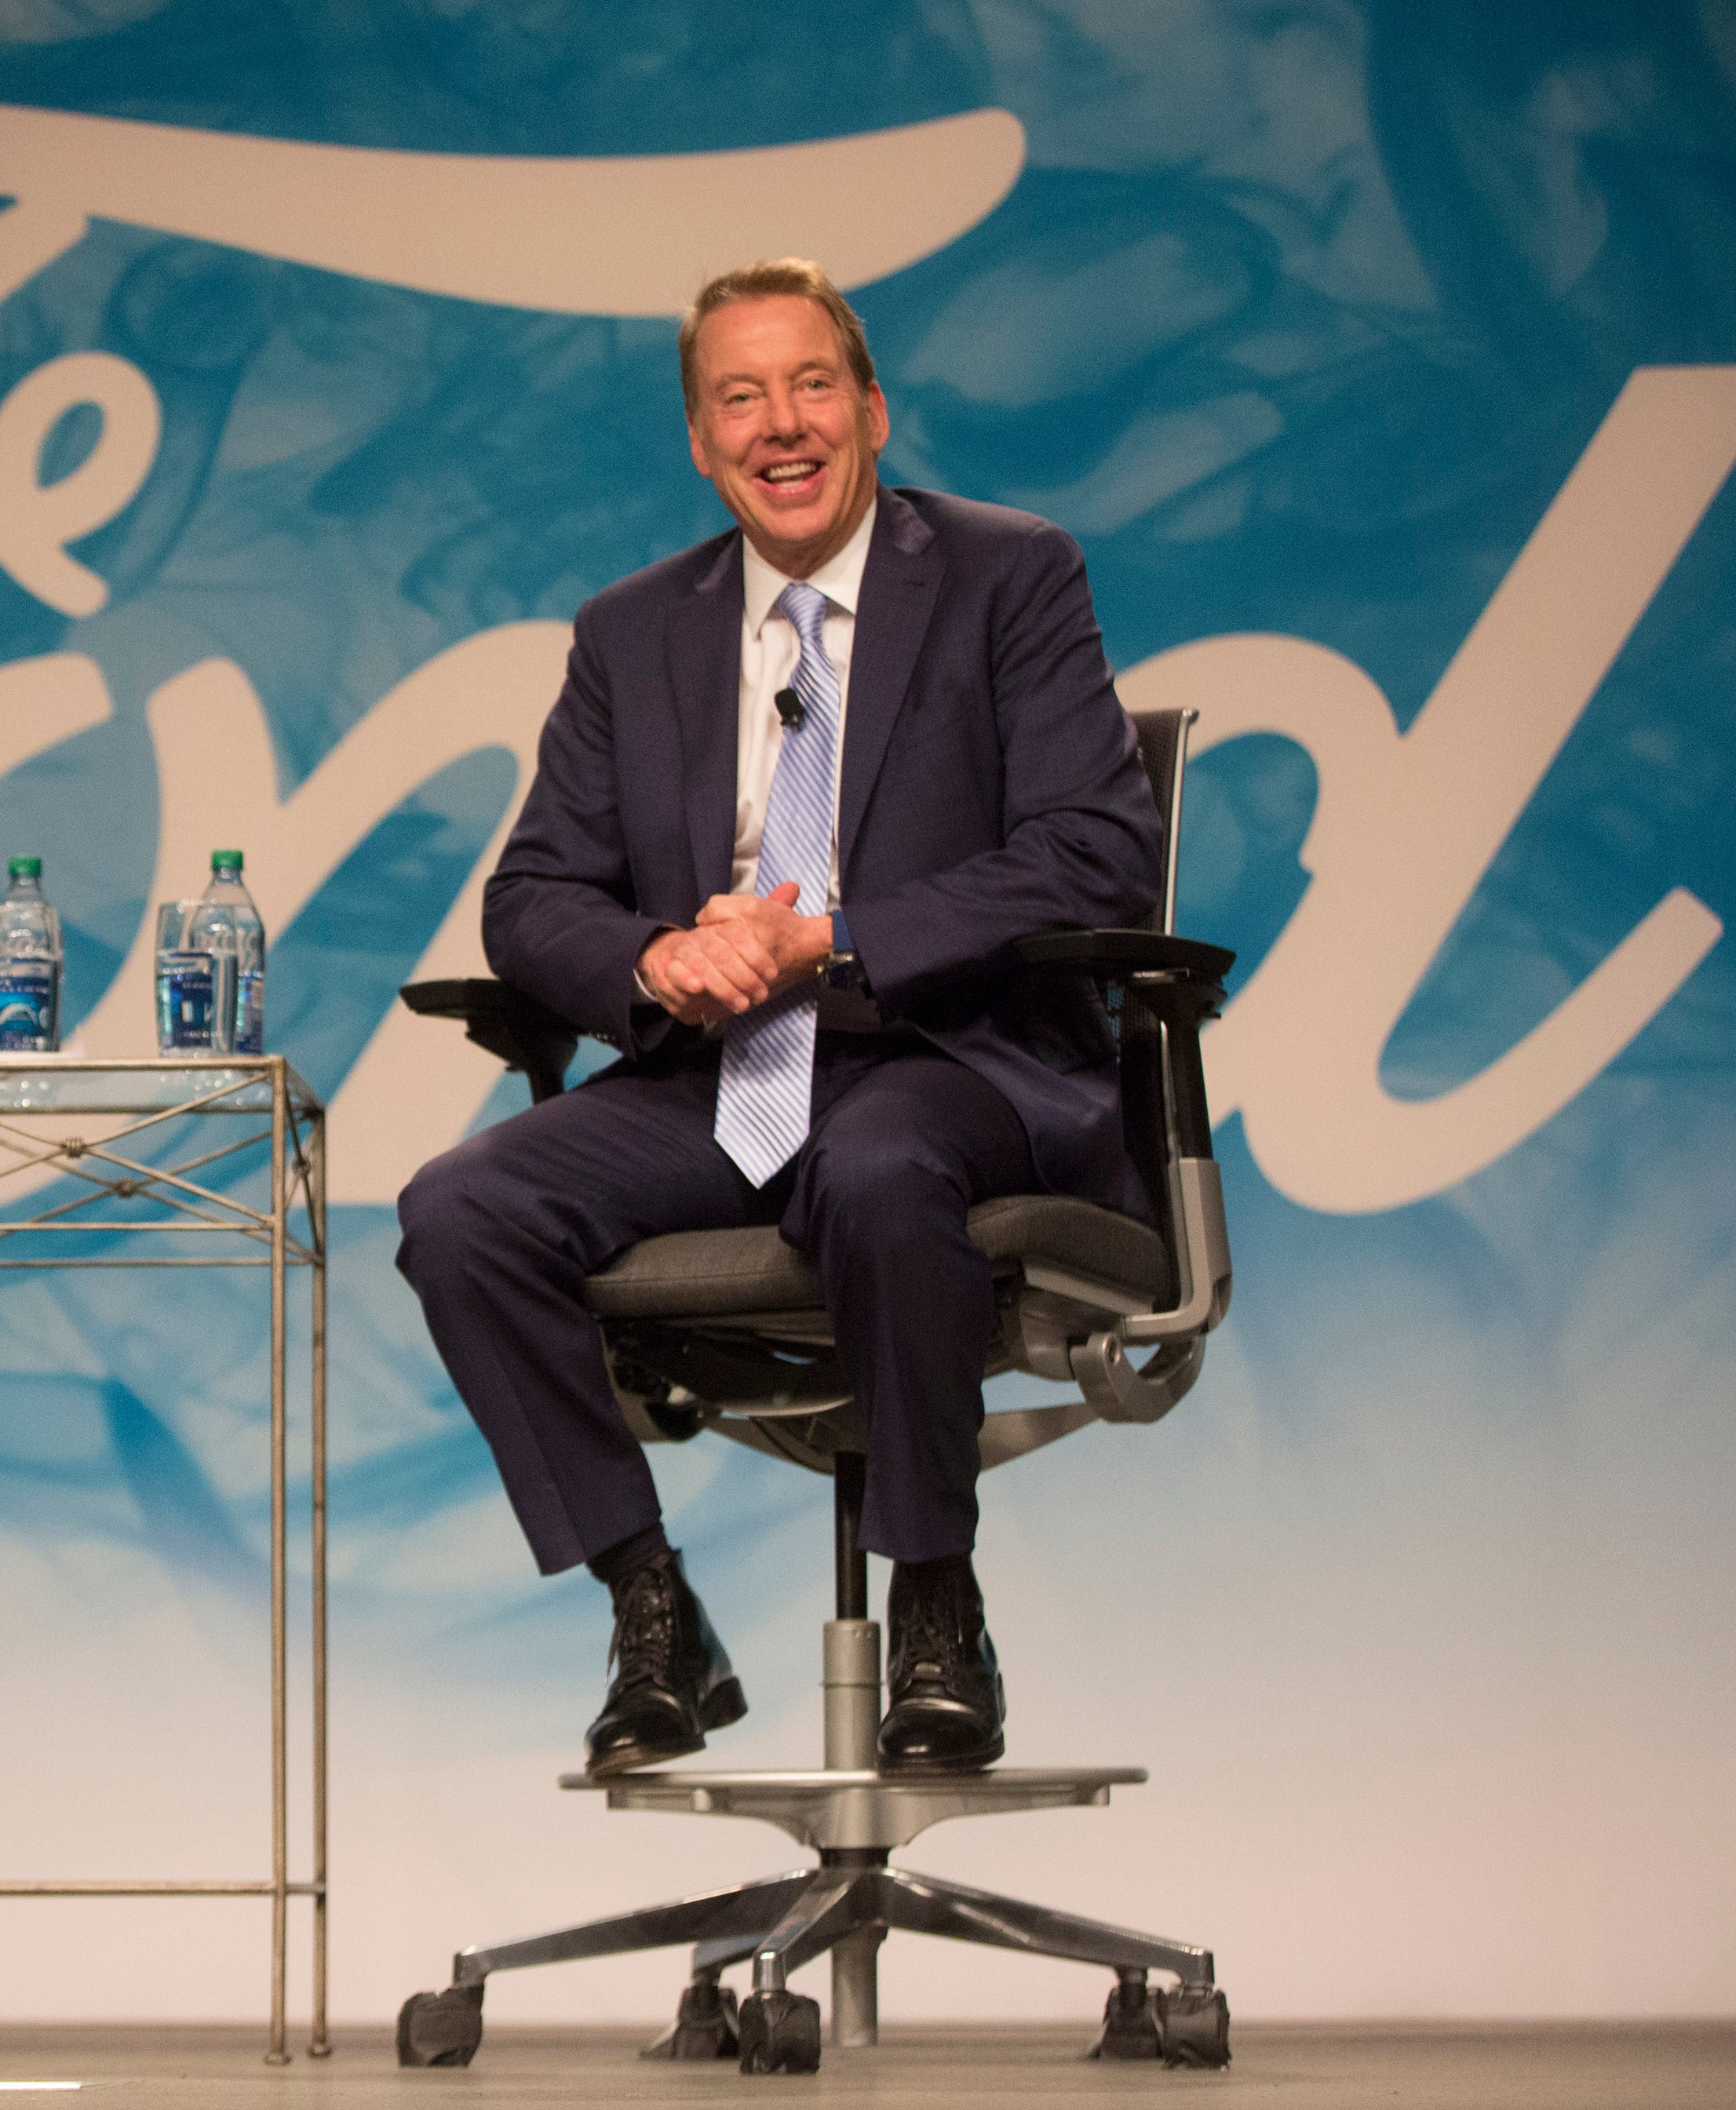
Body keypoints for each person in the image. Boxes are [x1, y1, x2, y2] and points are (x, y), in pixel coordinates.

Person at [396, 258, 1162, 1777]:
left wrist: (836, 940)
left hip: (944, 1055)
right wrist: (660, 960)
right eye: (739, 397)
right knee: (462, 1208)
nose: (781, 424)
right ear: (700, 441)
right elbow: (534, 893)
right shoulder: (632, 632)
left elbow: (1096, 845)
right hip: (718, 1078)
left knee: (880, 1171)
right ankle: (650, 1606)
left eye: (811, 385)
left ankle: (937, 1601)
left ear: (873, 410)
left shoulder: (1010, 575)